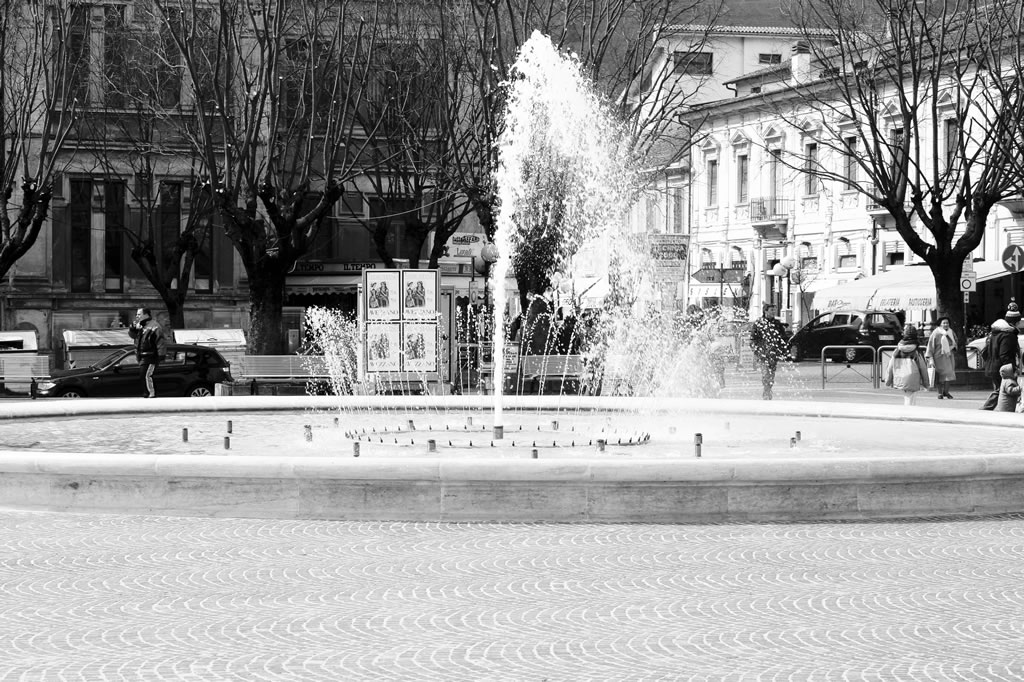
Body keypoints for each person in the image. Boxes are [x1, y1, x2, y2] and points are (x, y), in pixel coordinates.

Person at [980, 302, 1021, 410]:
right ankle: (986, 408)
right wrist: (1011, 368)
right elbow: (1005, 354)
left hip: (993, 365)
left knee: (999, 389)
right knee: (1001, 389)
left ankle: (989, 408)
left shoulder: (996, 332)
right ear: (1016, 322)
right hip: (1001, 367)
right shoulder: (1008, 335)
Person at [749, 303, 789, 400]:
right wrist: (757, 350)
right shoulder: (759, 323)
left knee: (771, 374)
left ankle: (768, 388)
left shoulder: (777, 324)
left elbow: (783, 338)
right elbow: (753, 339)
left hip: (773, 354)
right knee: (766, 373)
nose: (773, 312)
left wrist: (783, 350)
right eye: (771, 310)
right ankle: (766, 391)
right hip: (763, 353)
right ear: (765, 311)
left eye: (774, 310)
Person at [884, 324, 930, 406]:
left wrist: (888, 380)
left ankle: (909, 412)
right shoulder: (916, 351)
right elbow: (923, 368)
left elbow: (890, 366)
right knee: (911, 398)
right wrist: (926, 383)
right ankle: (908, 414)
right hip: (913, 377)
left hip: (900, 376)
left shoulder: (898, 350)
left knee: (907, 396)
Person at [128, 307, 167, 398]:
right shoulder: (141, 325)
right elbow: (134, 337)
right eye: (136, 314)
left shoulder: (154, 326)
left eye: (139, 314)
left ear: (146, 315)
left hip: (151, 355)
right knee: (143, 375)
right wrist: (132, 329)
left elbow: (160, 341)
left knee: (146, 375)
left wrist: (161, 355)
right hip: (142, 355)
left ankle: (151, 394)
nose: (137, 316)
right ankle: (147, 393)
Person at [925, 316, 957, 399]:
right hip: (938, 357)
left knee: (949, 374)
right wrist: (930, 359)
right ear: (940, 324)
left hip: (948, 356)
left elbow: (955, 342)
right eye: (944, 323)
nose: (946, 324)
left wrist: (952, 347)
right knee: (940, 376)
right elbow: (930, 346)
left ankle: (946, 392)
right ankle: (940, 393)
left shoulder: (951, 332)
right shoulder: (935, 333)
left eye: (947, 323)